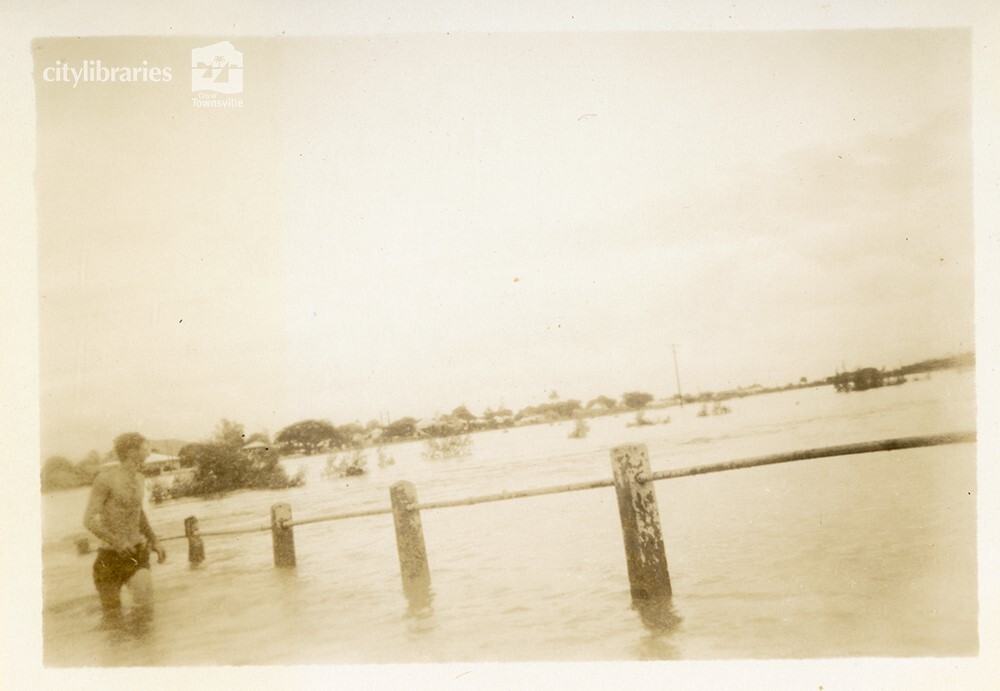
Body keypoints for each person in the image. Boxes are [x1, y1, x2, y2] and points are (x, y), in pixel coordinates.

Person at [83, 432, 167, 628]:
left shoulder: (140, 478)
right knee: (113, 621)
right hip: (109, 558)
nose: (149, 451)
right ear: (131, 452)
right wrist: (118, 542)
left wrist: (154, 540)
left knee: (146, 612)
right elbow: (89, 520)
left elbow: (138, 513)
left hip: (136, 553)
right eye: (146, 447)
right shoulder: (105, 479)